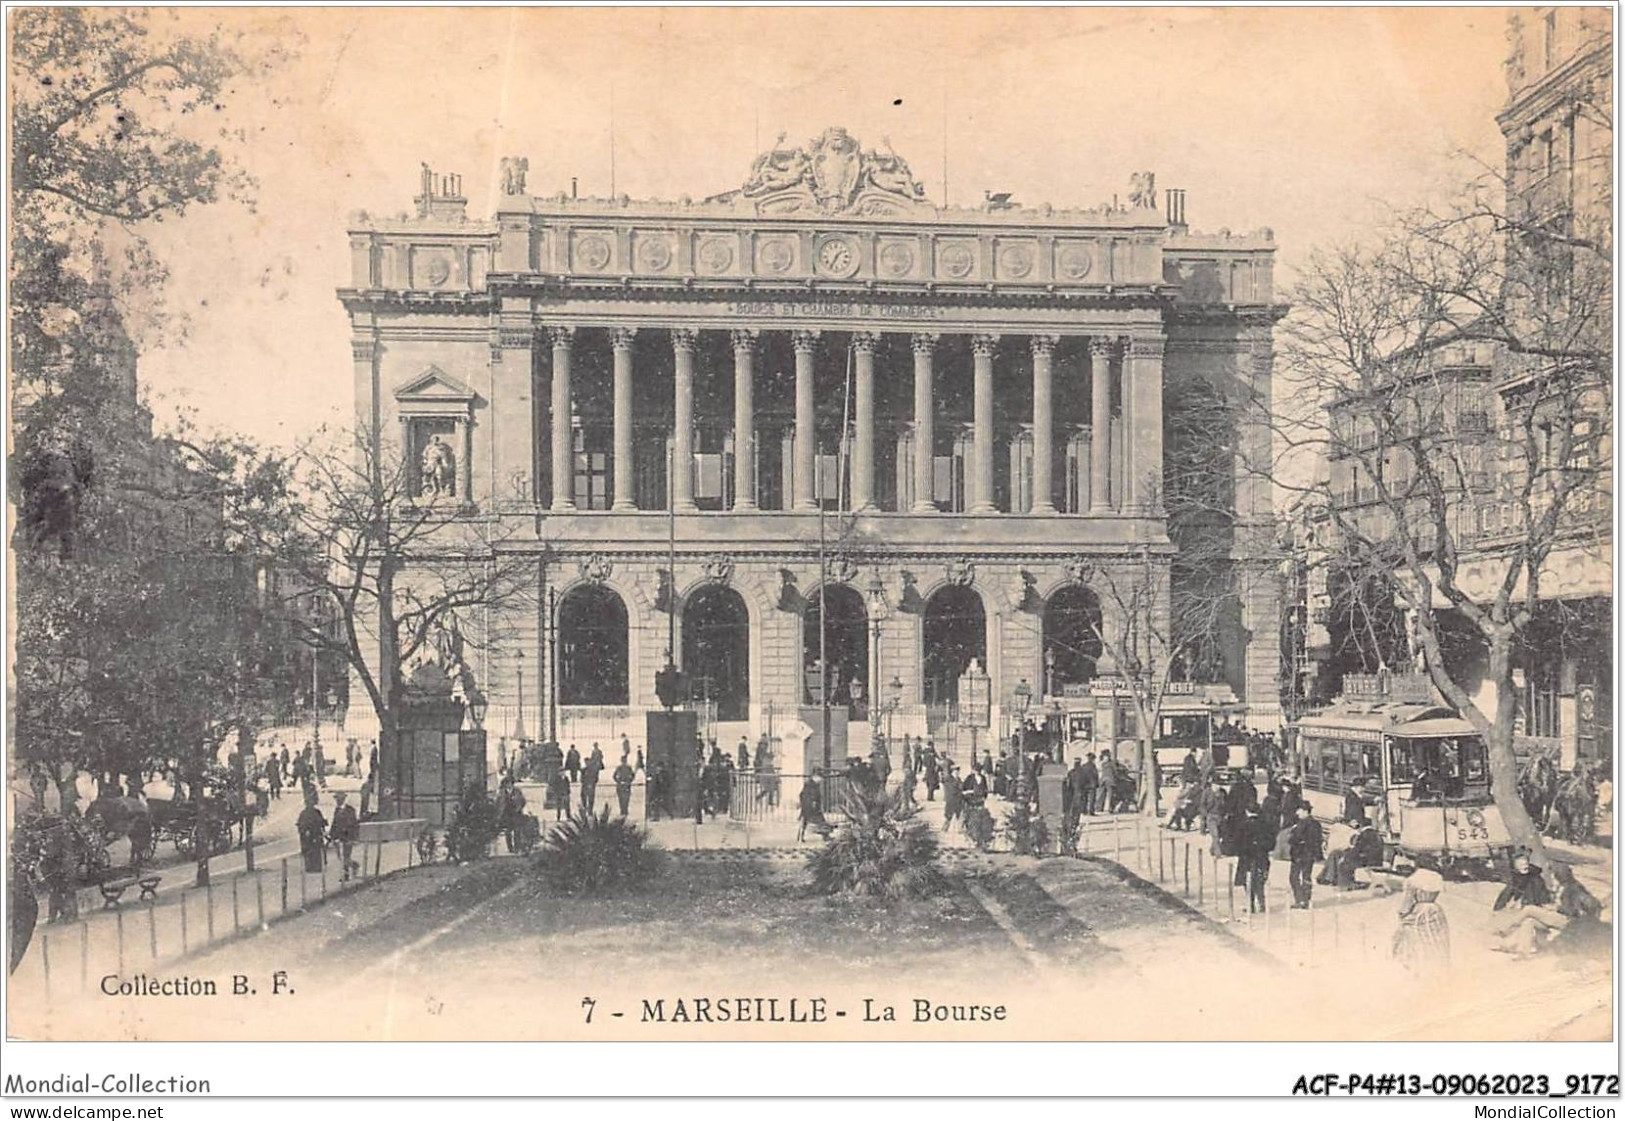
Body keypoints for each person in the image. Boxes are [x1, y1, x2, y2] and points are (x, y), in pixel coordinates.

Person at [1392, 868, 1450, 975]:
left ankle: (1416, 969)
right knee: (1436, 939)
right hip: (1435, 910)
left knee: (1413, 939)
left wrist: (1402, 913)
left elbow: (1406, 903)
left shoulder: (1413, 881)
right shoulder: (1434, 878)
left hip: (1419, 912)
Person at [1319, 821, 1383, 889]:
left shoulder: (1366, 834)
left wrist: (1348, 853)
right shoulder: (1371, 833)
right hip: (1370, 859)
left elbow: (1358, 849)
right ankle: (1329, 877)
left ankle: (1344, 883)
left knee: (1344, 862)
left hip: (1367, 860)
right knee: (1336, 853)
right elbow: (1360, 848)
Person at [1287, 802, 1324, 908]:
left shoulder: (1302, 824)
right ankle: (1306, 899)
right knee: (1306, 876)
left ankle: (1300, 899)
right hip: (1310, 855)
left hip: (1299, 854)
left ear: (1305, 811)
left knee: (1294, 877)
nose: (1297, 813)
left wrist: (1292, 838)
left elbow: (1295, 839)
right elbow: (1318, 840)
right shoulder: (1316, 823)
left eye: (1299, 810)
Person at [1240, 806, 1274, 914]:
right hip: (1262, 857)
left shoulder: (1245, 825)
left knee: (1248, 881)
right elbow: (1271, 842)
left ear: (1247, 811)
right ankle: (1262, 904)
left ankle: (1251, 906)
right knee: (1260, 881)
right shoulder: (1266, 824)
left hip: (1248, 858)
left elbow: (1240, 842)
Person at [330, 791, 360, 881]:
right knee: (341, 857)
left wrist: (353, 837)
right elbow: (334, 823)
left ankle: (349, 871)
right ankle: (348, 872)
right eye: (337, 799)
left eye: (340, 799)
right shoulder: (337, 810)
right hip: (339, 837)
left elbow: (354, 824)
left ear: (343, 799)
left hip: (348, 837)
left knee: (345, 856)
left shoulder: (350, 810)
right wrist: (332, 835)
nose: (338, 801)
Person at [296, 794, 328, 873]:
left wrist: (323, 825)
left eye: (311, 803)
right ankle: (310, 867)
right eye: (308, 803)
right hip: (308, 836)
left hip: (316, 834)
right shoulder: (303, 813)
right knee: (309, 851)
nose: (310, 805)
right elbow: (300, 825)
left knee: (316, 851)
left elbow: (321, 822)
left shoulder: (317, 812)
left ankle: (316, 867)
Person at [798, 774, 825, 843]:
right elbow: (813, 795)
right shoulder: (812, 785)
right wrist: (813, 802)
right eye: (820, 778)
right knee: (820, 821)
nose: (821, 781)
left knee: (805, 821)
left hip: (808, 806)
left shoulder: (811, 784)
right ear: (815, 777)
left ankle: (800, 836)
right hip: (811, 806)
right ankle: (825, 835)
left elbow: (801, 795)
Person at [581, 745, 604, 813]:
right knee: (583, 797)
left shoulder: (592, 770)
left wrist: (592, 783)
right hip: (585, 786)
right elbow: (581, 778)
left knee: (591, 798)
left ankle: (590, 810)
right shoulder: (584, 770)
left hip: (591, 786)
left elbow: (595, 778)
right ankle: (585, 808)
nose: (587, 764)